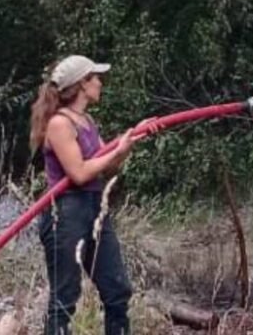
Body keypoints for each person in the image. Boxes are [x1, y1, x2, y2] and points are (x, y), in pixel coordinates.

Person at [29, 55, 150, 335]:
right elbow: (80, 173)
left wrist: (131, 140)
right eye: (95, 77)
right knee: (65, 298)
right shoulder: (60, 124)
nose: (100, 82)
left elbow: (108, 164)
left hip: (95, 208)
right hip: (66, 214)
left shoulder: (87, 120)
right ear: (82, 84)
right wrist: (116, 152)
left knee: (117, 289)